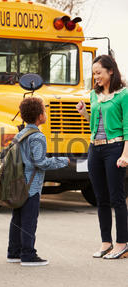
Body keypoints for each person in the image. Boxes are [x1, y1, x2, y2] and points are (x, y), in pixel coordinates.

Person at [76, 54, 128, 259]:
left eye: (99, 73)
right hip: (94, 149)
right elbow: (95, 126)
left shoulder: (123, 95)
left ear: (111, 71)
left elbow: (126, 128)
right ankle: (106, 242)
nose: (95, 77)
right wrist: (85, 114)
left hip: (114, 149)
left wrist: (125, 154)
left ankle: (122, 243)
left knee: (117, 198)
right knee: (101, 198)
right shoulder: (93, 95)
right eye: (94, 74)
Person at [8, 97, 69, 266]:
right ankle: (28, 254)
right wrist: (63, 161)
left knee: (17, 218)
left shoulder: (20, 133)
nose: (46, 114)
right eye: (45, 111)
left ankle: (13, 252)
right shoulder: (37, 136)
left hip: (18, 183)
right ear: (39, 115)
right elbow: (40, 162)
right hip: (31, 185)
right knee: (29, 220)